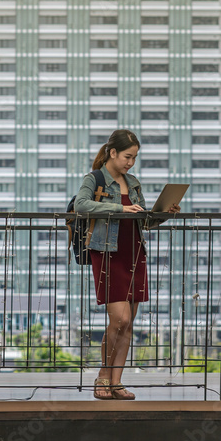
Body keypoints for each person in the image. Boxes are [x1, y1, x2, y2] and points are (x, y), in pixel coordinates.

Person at [73, 129, 180, 400]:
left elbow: (143, 220)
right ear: (112, 153)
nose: (130, 163)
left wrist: (164, 214)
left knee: (128, 323)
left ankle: (116, 381)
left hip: (134, 251)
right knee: (119, 318)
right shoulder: (94, 178)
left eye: (134, 158)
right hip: (107, 252)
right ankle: (103, 376)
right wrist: (120, 209)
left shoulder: (132, 182)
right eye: (127, 157)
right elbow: (82, 206)